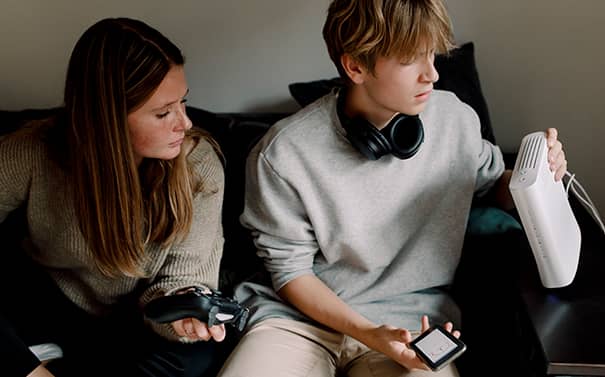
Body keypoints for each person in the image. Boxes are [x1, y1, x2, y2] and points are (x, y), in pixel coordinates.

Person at [217, 0, 568, 376]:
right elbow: (290, 274)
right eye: (410, 59)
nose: (431, 74)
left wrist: (537, 177)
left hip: (410, 324)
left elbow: (491, 186)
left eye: (432, 54)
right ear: (355, 66)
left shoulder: (455, 120)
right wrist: (368, 332)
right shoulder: (283, 152)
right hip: (297, 322)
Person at [0, 17, 227, 377]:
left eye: (183, 102)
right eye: (163, 112)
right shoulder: (30, 152)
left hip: (141, 319)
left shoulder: (199, 165)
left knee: (196, 359)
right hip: (48, 304)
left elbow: (180, 281)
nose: (183, 123)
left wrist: (182, 314)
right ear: (106, 118)